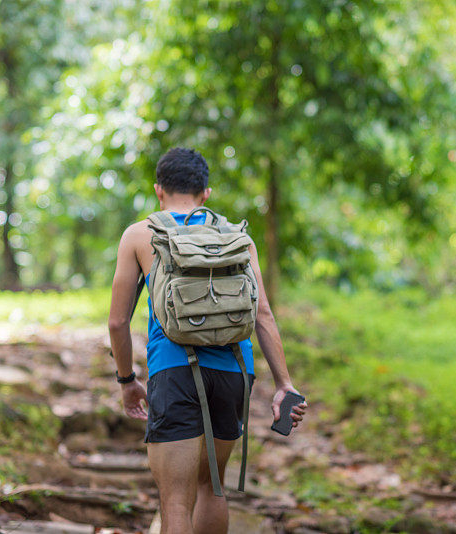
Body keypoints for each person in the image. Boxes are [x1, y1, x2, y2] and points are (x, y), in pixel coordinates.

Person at [107, 147, 307, 534]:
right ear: (206, 193)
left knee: (176, 500)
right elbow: (262, 314)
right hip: (234, 371)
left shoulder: (140, 235)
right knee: (212, 488)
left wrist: (127, 381)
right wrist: (285, 384)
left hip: (174, 369)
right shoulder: (237, 236)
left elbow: (117, 322)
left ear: (158, 190)